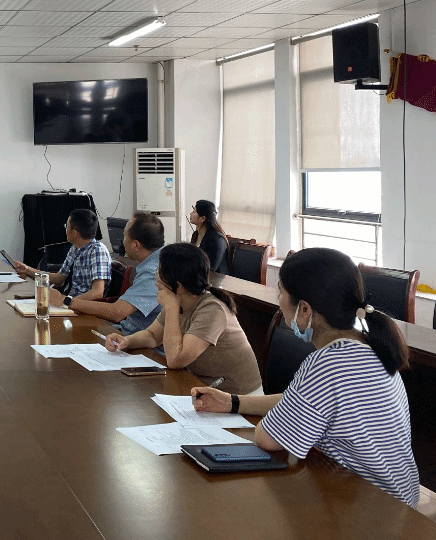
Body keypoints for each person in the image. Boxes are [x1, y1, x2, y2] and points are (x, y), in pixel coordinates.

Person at [192, 248, 419, 507]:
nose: (279, 301)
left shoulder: (327, 363)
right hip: (396, 500)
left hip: (367, 506)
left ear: (304, 309)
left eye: (280, 292)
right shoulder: (372, 346)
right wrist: (233, 402)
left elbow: (267, 438)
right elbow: (299, 401)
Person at [102, 243, 262, 394]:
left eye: (159, 273)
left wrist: (171, 307)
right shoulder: (180, 299)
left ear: (178, 286)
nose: (156, 280)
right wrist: (127, 341)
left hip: (237, 397)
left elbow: (175, 359)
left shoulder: (212, 309)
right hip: (201, 387)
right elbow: (152, 336)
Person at [50, 212, 165, 334]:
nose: (122, 241)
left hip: (134, 338)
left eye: (124, 236)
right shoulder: (157, 261)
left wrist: (65, 301)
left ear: (136, 245)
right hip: (126, 332)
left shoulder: (154, 273)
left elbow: (118, 312)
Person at [12, 209, 111, 300]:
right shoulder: (75, 248)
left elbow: (97, 293)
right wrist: (28, 270)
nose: (65, 229)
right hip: (68, 300)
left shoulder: (98, 252)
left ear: (74, 233)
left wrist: (66, 302)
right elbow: (58, 279)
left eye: (66, 226)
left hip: (80, 307)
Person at [188, 200, 229, 274]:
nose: (191, 213)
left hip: (215, 278)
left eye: (194, 211)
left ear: (202, 218)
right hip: (198, 275)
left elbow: (211, 268)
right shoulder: (195, 234)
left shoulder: (217, 239)